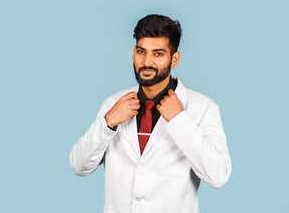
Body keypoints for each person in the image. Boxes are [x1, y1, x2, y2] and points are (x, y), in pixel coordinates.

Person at [70, 14, 232, 213]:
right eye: (141, 51)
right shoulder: (113, 104)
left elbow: (218, 176)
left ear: (174, 59)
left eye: (158, 54)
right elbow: (79, 166)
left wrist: (180, 121)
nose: (147, 62)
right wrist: (108, 123)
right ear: (133, 53)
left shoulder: (203, 108)